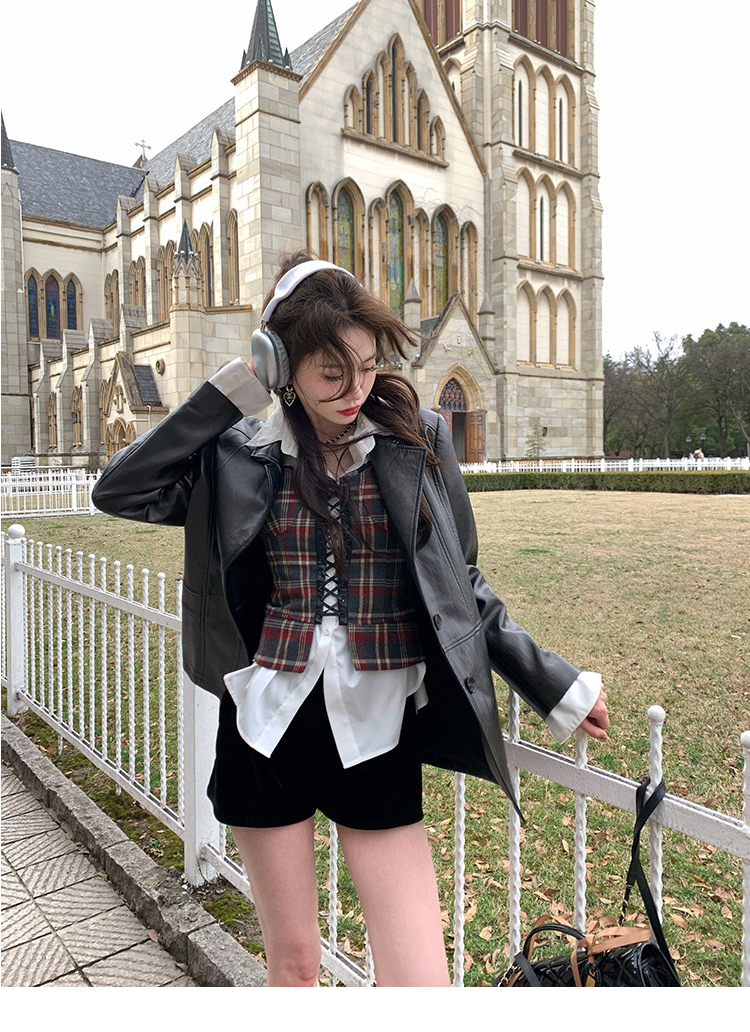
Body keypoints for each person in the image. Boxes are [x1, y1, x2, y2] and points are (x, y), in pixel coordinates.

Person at [92, 253, 609, 988]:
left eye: (367, 366)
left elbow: (460, 582)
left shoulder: (416, 439)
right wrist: (235, 391)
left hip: (377, 725)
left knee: (419, 982)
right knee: (295, 963)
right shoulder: (239, 454)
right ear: (282, 366)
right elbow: (120, 489)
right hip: (266, 727)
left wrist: (553, 682)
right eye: (331, 373)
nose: (355, 389)